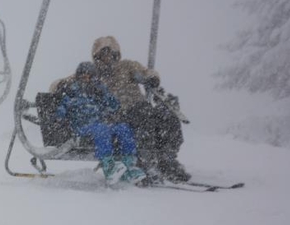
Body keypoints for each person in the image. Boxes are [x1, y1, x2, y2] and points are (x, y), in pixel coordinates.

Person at [89, 36, 190, 182]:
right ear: (97, 56)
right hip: (117, 115)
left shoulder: (127, 66)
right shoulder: (93, 74)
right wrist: (59, 86)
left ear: (116, 54)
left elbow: (146, 72)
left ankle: (167, 159)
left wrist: (152, 78)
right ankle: (145, 162)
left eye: (111, 53)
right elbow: (68, 81)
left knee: (167, 116)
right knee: (143, 117)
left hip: (140, 106)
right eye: (103, 54)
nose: (108, 57)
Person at [55, 62, 147, 185]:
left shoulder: (98, 90)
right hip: (81, 126)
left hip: (99, 124)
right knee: (101, 129)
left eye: (89, 76)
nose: (86, 79)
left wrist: (104, 94)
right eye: (83, 76)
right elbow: (61, 109)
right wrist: (61, 117)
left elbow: (115, 106)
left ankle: (128, 165)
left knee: (123, 128)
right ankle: (108, 166)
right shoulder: (72, 91)